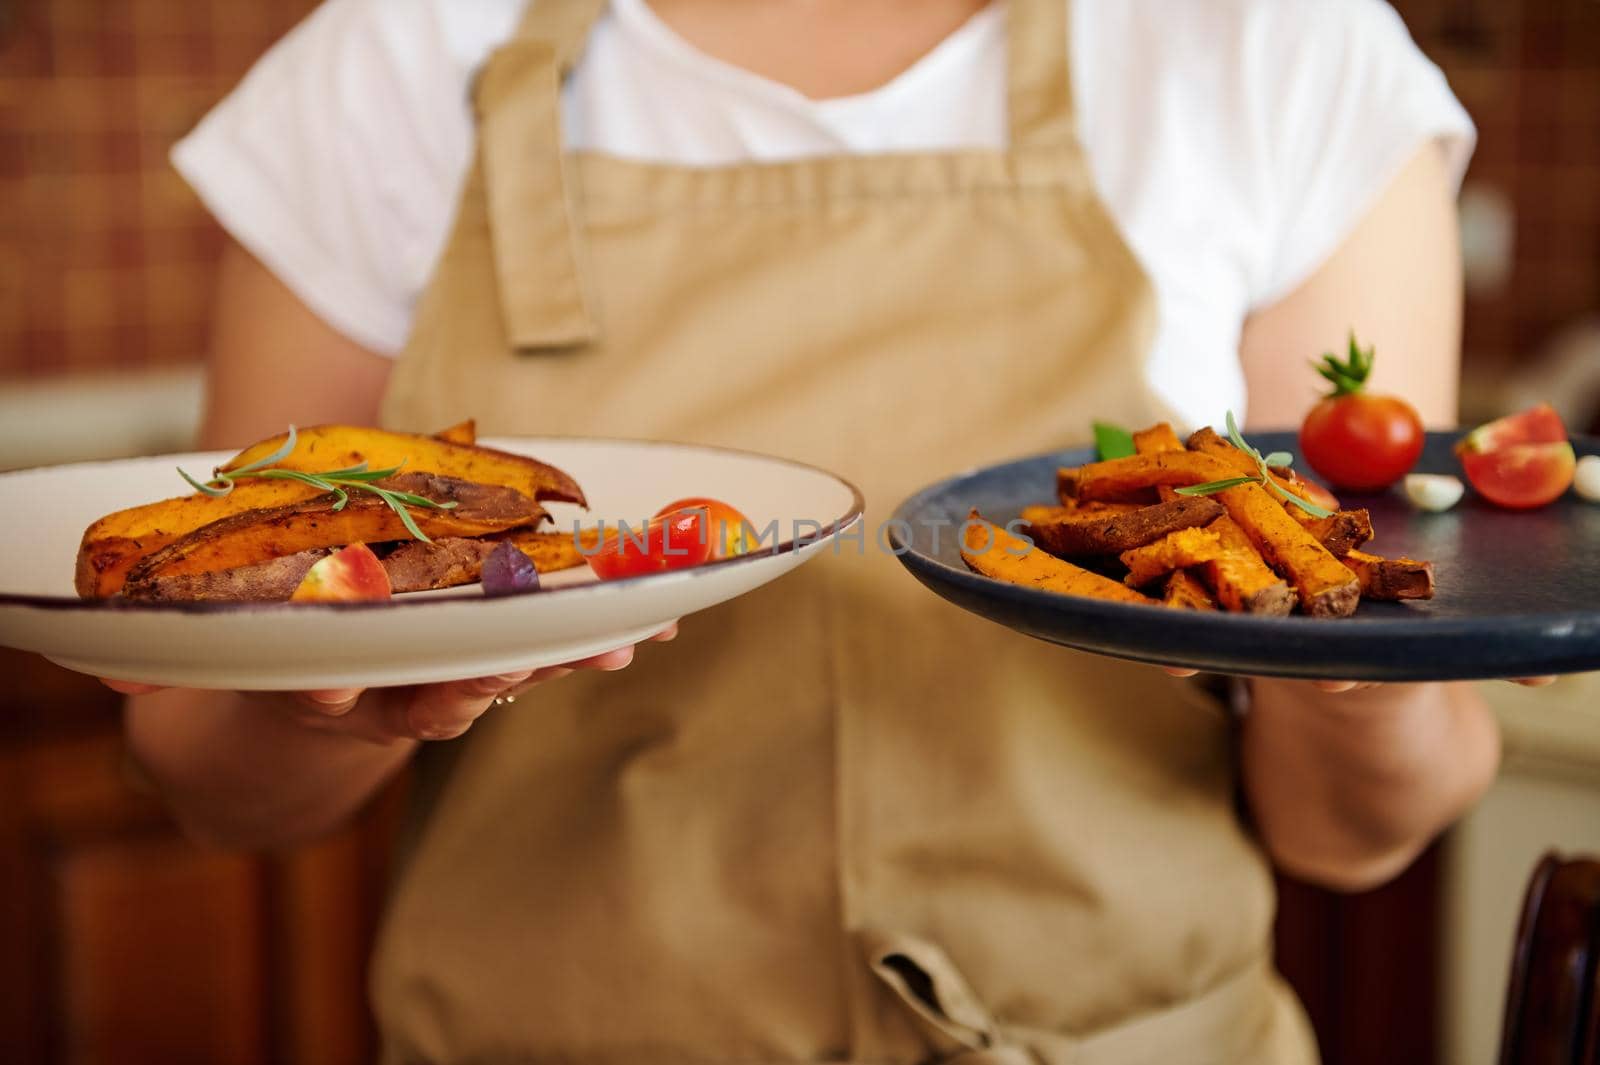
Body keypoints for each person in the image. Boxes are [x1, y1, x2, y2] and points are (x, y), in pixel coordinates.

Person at [112, 0, 1542, 1061]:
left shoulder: (1278, 53)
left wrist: (1357, 681)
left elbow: (1353, 832)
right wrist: (335, 715)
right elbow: (212, 779)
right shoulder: (397, 61)